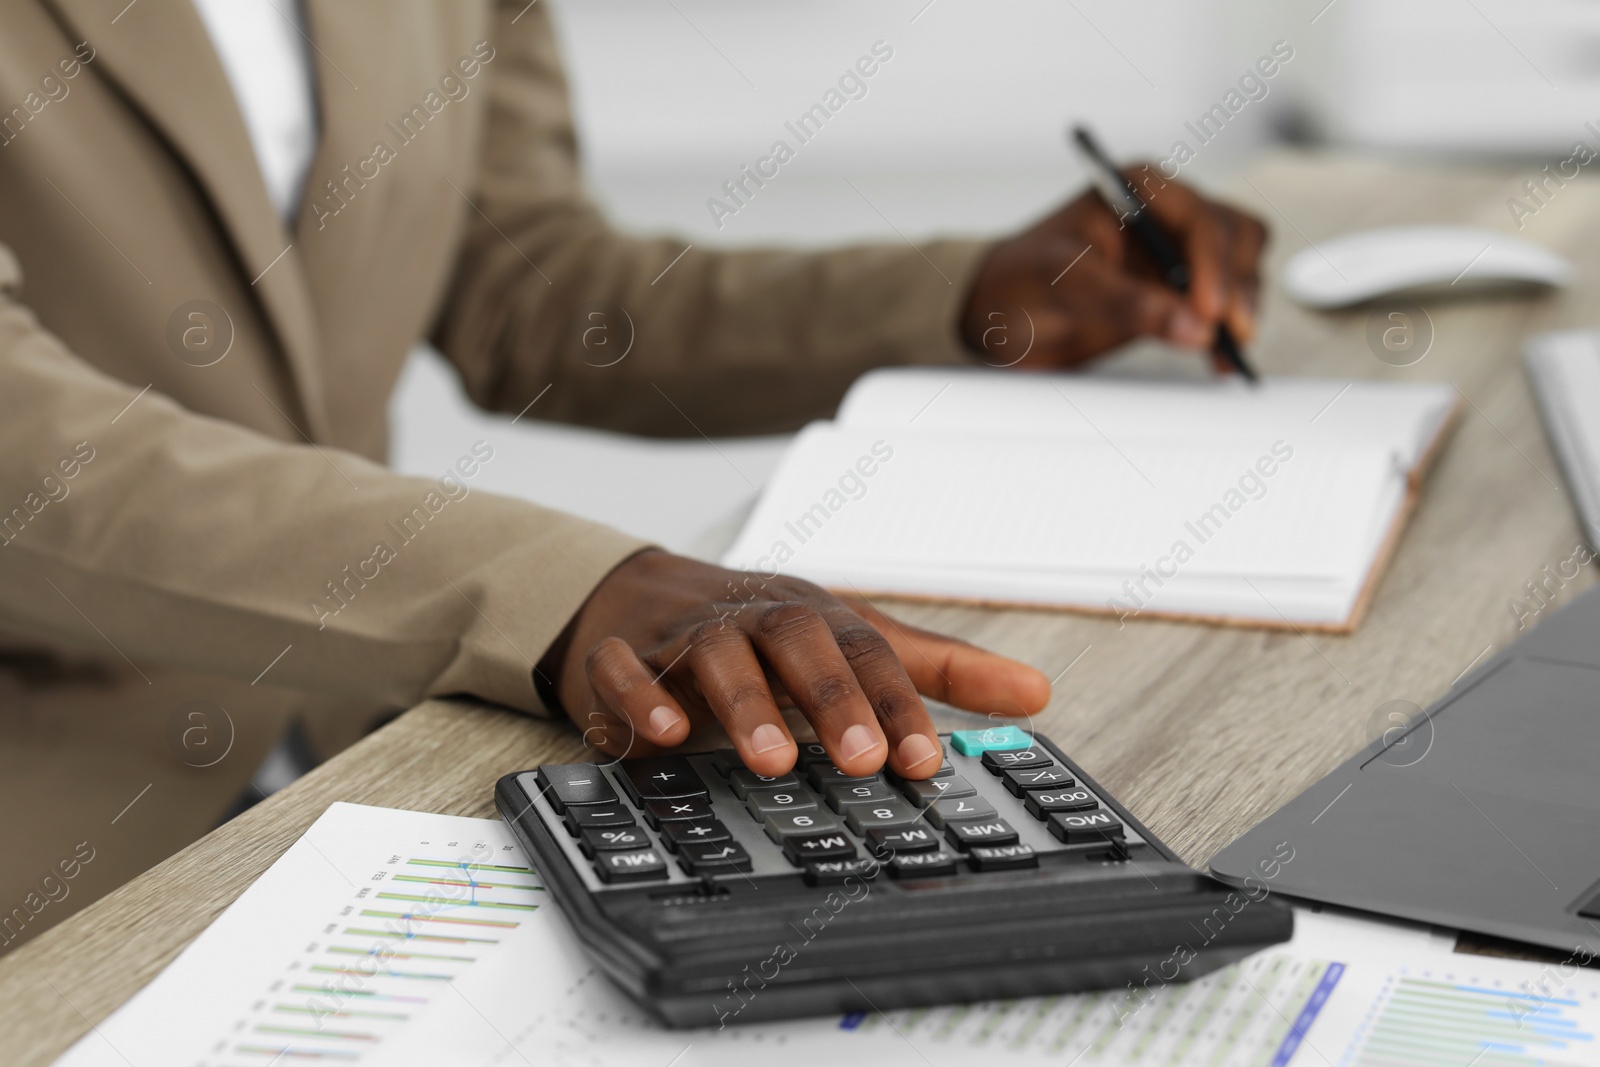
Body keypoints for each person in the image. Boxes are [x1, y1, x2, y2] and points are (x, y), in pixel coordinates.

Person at [0, 0, 1266, 950]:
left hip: (360, 773)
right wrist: (567, 586)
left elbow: (533, 289)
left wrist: (971, 300)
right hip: (60, 846)